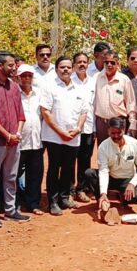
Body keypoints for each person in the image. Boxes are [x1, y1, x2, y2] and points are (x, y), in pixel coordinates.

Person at [0, 51, 29, 227]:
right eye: (10, 65)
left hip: (14, 140)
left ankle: (10, 210)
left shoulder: (14, 87)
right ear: (0, 66)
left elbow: (20, 113)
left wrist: (16, 134)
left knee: (11, 176)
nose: (14, 68)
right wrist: (7, 135)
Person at [40, 56, 89, 215]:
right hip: (54, 137)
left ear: (73, 68)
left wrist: (78, 129)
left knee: (68, 168)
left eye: (68, 67)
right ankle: (53, 202)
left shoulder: (79, 89)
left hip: (73, 136)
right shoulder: (49, 87)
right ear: (56, 69)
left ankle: (64, 197)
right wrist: (60, 132)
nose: (66, 70)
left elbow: (84, 112)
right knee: (54, 168)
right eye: (62, 67)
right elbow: (45, 112)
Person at [85, 117, 137, 209]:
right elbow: (103, 171)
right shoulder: (103, 147)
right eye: (113, 133)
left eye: (119, 133)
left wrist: (132, 183)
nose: (116, 136)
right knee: (89, 173)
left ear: (124, 130)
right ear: (108, 131)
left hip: (127, 180)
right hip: (111, 178)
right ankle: (102, 198)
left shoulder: (134, 143)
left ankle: (124, 197)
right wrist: (103, 192)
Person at [16, 64, 44, 215]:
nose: (27, 78)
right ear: (18, 77)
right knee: (15, 174)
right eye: (24, 76)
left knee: (35, 174)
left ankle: (33, 203)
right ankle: (17, 203)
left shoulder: (39, 94)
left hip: (36, 140)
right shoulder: (14, 93)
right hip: (19, 141)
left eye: (29, 76)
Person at [93, 50, 137, 144]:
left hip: (118, 122)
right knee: (103, 153)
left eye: (112, 62)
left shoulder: (124, 79)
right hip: (101, 123)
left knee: (119, 152)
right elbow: (92, 102)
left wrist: (133, 122)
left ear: (117, 64)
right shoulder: (96, 78)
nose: (109, 65)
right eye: (106, 62)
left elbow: (131, 102)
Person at [71, 52, 97, 203]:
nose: (82, 64)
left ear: (88, 64)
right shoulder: (69, 81)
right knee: (69, 161)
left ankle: (81, 189)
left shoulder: (93, 82)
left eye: (84, 62)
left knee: (85, 160)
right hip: (72, 128)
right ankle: (68, 190)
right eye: (79, 62)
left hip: (88, 127)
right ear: (74, 64)